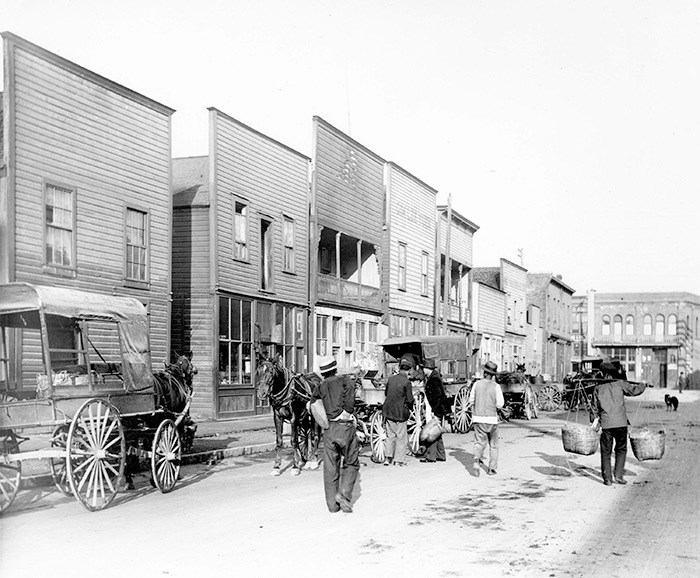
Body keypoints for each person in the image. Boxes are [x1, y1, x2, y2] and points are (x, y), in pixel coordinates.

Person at [310, 356, 360, 513]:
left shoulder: (320, 386)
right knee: (351, 462)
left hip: (329, 429)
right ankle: (344, 495)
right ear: (335, 368)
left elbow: (313, 404)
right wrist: (347, 411)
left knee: (331, 467)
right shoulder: (345, 381)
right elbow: (351, 399)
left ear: (323, 372)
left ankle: (332, 505)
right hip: (345, 428)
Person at [590, 360, 646, 486]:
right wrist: (643, 385)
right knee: (621, 449)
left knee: (606, 451)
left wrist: (594, 422)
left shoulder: (597, 388)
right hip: (621, 423)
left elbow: (593, 407)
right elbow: (634, 391)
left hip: (606, 424)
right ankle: (619, 475)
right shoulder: (620, 384)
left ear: (602, 373)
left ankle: (607, 479)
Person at [468, 361, 504, 476]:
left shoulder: (476, 384)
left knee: (479, 442)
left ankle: (476, 461)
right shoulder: (496, 386)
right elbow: (500, 404)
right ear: (493, 375)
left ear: (484, 373)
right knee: (493, 445)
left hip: (478, 418)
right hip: (492, 419)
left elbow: (471, 400)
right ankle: (492, 469)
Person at [382, 358, 414, 466]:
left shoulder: (391, 379)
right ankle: (398, 460)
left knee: (390, 436)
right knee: (401, 437)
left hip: (388, 411)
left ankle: (387, 458)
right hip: (400, 412)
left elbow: (386, 393)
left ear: (399, 368)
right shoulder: (407, 382)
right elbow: (410, 399)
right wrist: (410, 408)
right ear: (408, 370)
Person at [421, 358, 449, 463]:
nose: (423, 370)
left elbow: (437, 396)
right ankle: (441, 455)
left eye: (424, 368)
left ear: (427, 368)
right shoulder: (434, 376)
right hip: (438, 408)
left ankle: (431, 456)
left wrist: (434, 410)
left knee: (431, 431)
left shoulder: (434, 379)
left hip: (436, 408)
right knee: (437, 430)